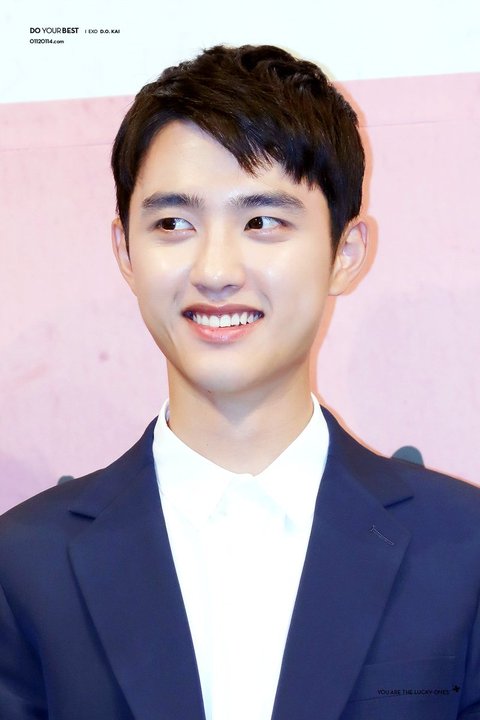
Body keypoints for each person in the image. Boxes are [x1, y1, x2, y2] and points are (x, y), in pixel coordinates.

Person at [0, 44, 479, 720]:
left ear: (345, 253)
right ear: (125, 251)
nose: (216, 270)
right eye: (173, 224)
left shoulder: (463, 551)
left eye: (262, 222)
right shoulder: (25, 567)